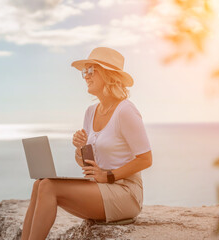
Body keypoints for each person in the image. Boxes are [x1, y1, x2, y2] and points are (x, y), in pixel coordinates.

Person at [21, 47, 153, 240]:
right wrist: (79, 148)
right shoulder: (91, 112)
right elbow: (88, 166)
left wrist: (108, 176)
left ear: (108, 75)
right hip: (101, 188)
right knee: (40, 184)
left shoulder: (126, 111)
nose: (85, 77)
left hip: (125, 193)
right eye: (85, 71)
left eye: (91, 71)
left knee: (49, 186)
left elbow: (146, 159)